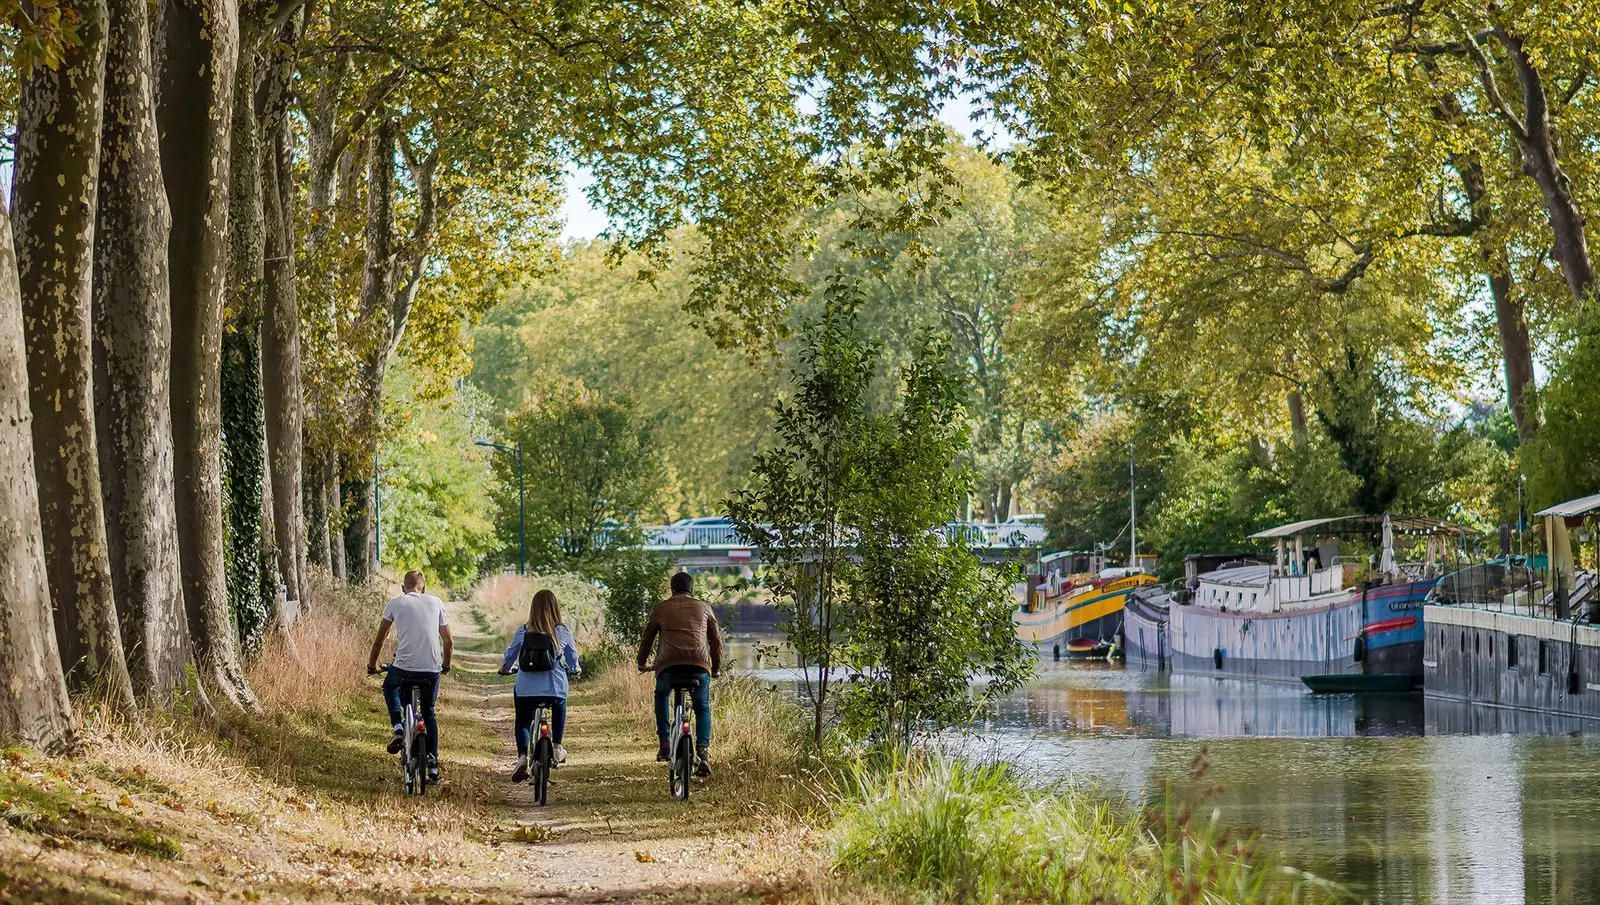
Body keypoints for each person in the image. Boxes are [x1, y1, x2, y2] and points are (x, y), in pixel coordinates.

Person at [366, 570, 452, 783]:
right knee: (429, 711)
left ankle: (398, 727)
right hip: (431, 669)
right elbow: (449, 641)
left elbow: (379, 640)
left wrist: (372, 665)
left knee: (390, 686)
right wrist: (446, 665)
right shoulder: (436, 602)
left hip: (403, 667)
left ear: (403, 588)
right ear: (423, 588)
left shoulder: (395, 603)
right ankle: (432, 765)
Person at [637, 571, 722, 777]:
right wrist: (716, 668)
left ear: (672, 589)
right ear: (692, 589)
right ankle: (703, 753)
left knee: (662, 694)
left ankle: (665, 741)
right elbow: (716, 641)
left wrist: (642, 663)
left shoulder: (660, 608)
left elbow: (647, 638)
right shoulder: (704, 608)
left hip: (668, 667)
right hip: (699, 666)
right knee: (701, 707)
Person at [499, 588, 581, 782]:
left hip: (527, 689)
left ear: (533, 609)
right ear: (555, 608)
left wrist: (504, 668)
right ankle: (557, 746)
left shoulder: (524, 630)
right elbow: (572, 657)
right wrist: (575, 668)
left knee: (522, 720)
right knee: (560, 703)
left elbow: (510, 655)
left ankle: (521, 758)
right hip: (554, 688)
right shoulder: (562, 631)